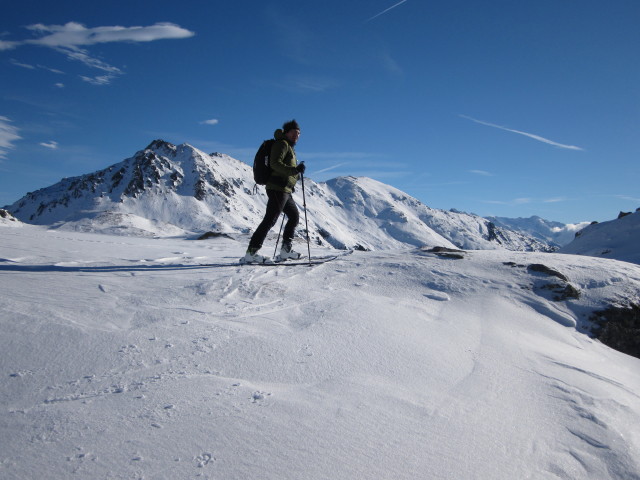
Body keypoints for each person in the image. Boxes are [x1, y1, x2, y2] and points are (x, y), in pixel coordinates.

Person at [244, 119, 306, 263]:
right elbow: (275, 164)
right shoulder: (281, 144)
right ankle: (251, 253)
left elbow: (284, 168)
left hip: (285, 189)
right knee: (270, 220)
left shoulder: (289, 147)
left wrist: (292, 180)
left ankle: (285, 251)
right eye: (294, 133)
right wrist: (295, 170)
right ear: (286, 132)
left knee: (294, 217)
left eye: (298, 133)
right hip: (277, 188)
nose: (296, 136)